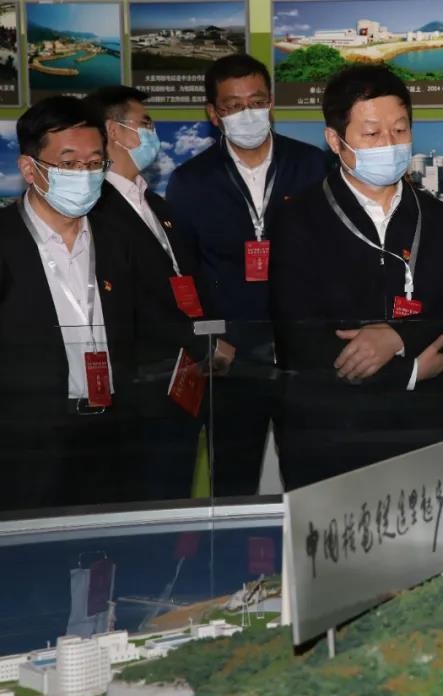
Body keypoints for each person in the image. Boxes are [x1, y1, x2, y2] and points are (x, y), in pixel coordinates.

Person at [268, 65, 443, 490]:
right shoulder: (298, 219)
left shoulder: (439, 220)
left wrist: (397, 338)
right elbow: (301, 342)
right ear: (335, 140)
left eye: (399, 130)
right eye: (371, 133)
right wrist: (410, 372)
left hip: (418, 437)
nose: (389, 143)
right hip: (326, 442)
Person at [166, 54, 327, 497]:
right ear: (213, 114)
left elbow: (336, 259)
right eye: (233, 106)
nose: (247, 113)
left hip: (306, 357)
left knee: (314, 484)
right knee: (232, 486)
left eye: (256, 102)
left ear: (271, 102)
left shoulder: (313, 166)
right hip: (231, 361)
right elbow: (183, 273)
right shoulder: (190, 181)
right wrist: (210, 342)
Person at [0, 96, 138, 510]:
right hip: (25, 443)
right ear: (30, 169)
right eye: (69, 164)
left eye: (94, 163)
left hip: (113, 434)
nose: (84, 175)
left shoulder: (119, 238)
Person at [86, 85, 206, 501]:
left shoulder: (158, 206)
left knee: (174, 500)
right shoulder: (94, 210)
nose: (153, 132)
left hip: (180, 381)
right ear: (113, 131)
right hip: (136, 390)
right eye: (145, 123)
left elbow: (183, 281)